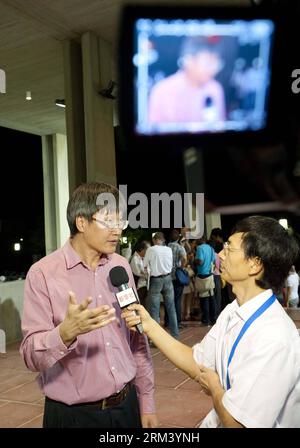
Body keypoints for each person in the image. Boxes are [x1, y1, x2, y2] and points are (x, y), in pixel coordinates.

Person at [122, 216, 300, 427]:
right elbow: (197, 363)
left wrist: (215, 388)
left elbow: (237, 424)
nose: (220, 254)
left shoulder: (273, 337)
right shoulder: (233, 311)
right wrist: (149, 325)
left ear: (254, 264)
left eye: (229, 248)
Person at [20, 182, 157, 428]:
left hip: (127, 407)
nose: (117, 231)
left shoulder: (120, 267)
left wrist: (146, 400)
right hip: (73, 417)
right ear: (81, 223)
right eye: (109, 222)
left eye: (120, 222)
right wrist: (64, 333)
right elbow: (30, 355)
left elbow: (138, 338)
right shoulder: (42, 274)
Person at [148, 35, 226, 125]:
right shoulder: (162, 91)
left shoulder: (215, 89)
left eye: (217, 63)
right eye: (208, 63)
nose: (214, 69)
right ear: (189, 61)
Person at [143, 232, 179, 339]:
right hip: (168, 278)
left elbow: (144, 265)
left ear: (154, 240)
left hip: (156, 280)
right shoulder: (168, 249)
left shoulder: (151, 249)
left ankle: (155, 339)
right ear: (163, 240)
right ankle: (175, 335)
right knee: (171, 308)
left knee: (154, 309)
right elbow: (172, 264)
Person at [167, 229, 187, 329]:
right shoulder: (180, 247)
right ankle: (177, 322)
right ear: (178, 238)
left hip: (168, 276)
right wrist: (181, 267)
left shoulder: (166, 247)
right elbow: (185, 259)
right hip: (178, 277)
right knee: (177, 300)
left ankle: (167, 321)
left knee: (169, 299)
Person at [195, 237, 217, 325]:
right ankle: (213, 319)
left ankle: (205, 320)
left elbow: (200, 261)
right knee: (211, 297)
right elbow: (213, 261)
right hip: (210, 274)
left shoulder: (200, 248)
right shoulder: (211, 248)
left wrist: (194, 260)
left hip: (202, 275)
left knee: (204, 299)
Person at [130, 240, 150, 307]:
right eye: (147, 250)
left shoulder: (143, 258)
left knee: (144, 304)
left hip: (144, 285)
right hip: (139, 286)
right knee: (140, 305)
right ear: (141, 249)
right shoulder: (135, 259)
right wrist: (146, 273)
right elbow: (137, 273)